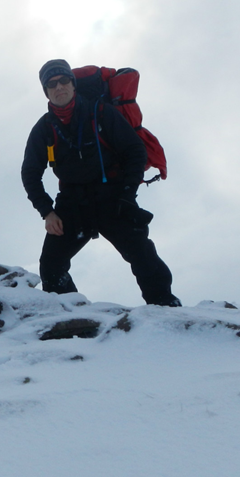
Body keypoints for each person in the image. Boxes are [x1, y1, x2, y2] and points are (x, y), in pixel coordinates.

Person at [21, 60, 181, 307]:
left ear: (73, 84)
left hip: (113, 196)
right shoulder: (44, 128)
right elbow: (30, 173)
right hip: (73, 203)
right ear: (46, 92)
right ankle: (71, 313)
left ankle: (165, 307)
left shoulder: (102, 112)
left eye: (64, 80)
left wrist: (127, 193)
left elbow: (135, 151)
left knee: (142, 254)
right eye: (51, 84)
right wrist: (47, 212)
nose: (59, 87)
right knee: (51, 265)